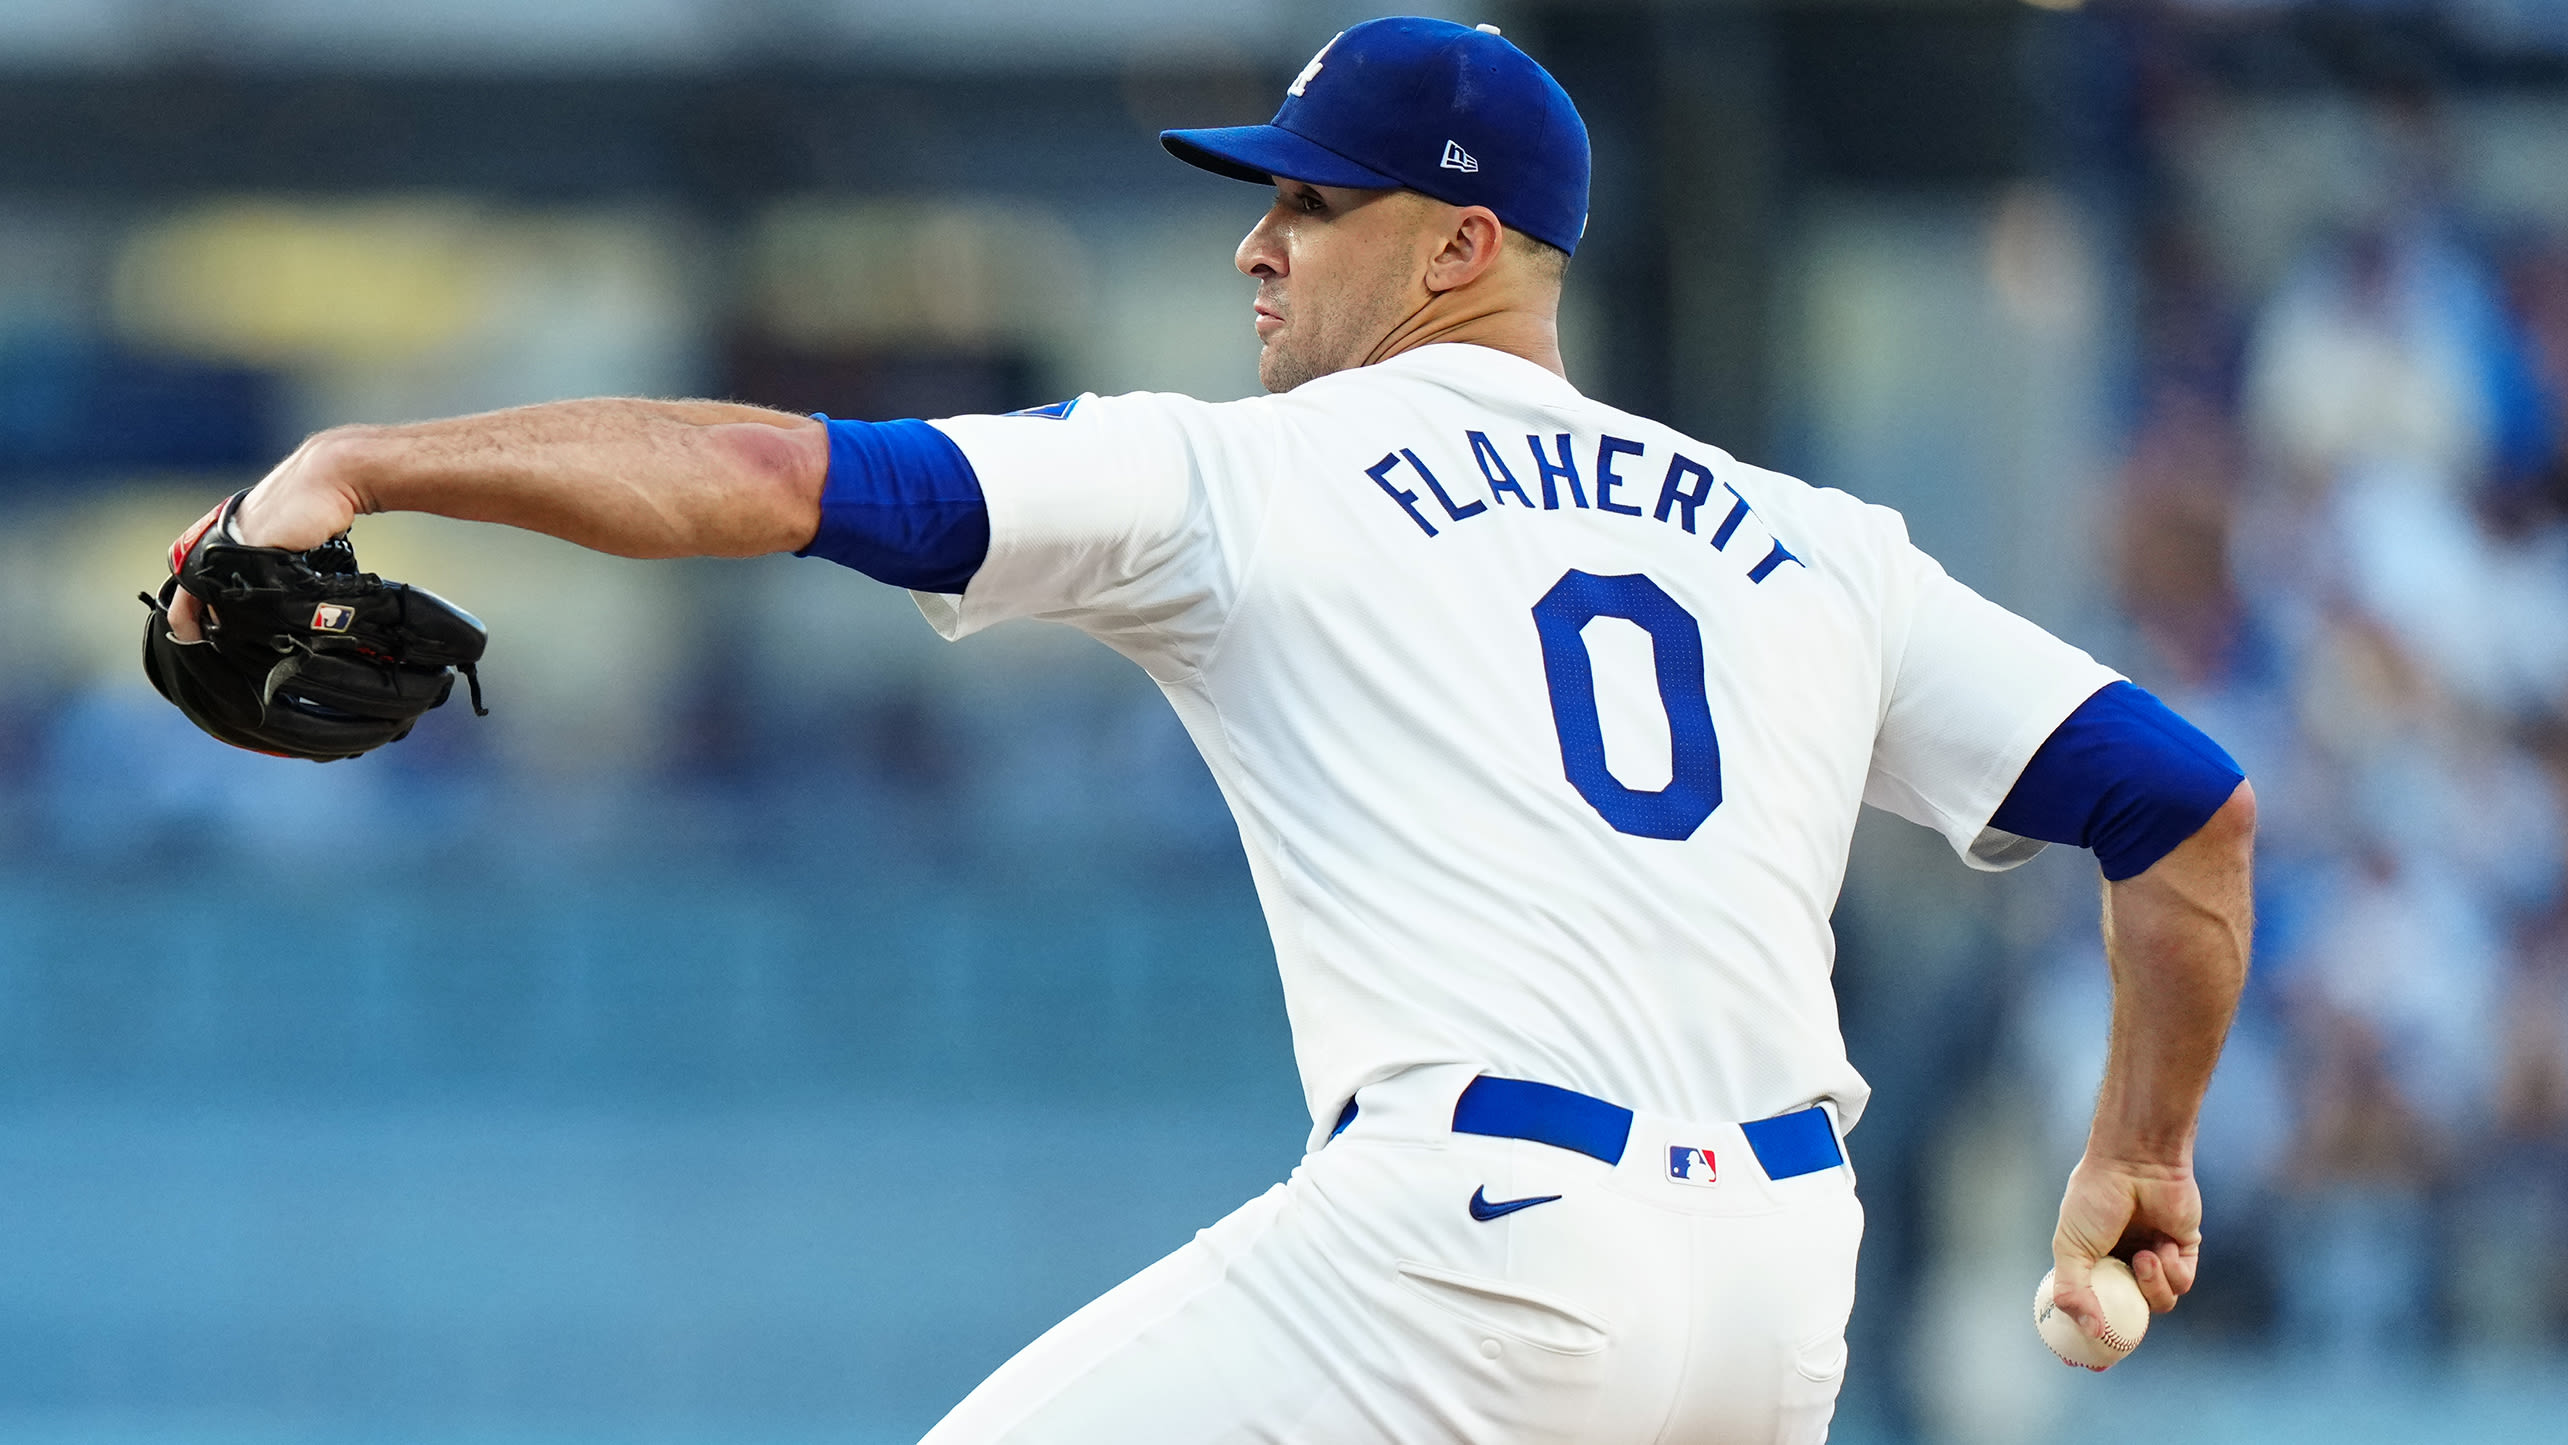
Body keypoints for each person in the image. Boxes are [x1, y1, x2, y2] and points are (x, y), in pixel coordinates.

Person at [162, 17, 2253, 1443]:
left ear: (1464, 248)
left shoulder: (1244, 478)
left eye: (1315, 206)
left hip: (1476, 1253)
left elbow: (769, 472)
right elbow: (2184, 813)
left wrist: (372, 457)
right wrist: (2137, 1156)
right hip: (1781, 1292)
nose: (1256, 241)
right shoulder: (1815, 544)